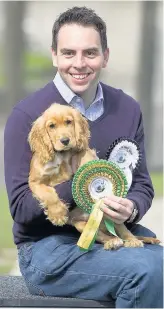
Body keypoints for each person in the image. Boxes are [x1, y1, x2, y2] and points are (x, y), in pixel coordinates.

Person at [4, 6, 163, 308]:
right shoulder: (27, 116)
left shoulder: (127, 109)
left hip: (111, 231)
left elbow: (141, 184)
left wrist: (130, 209)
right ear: (54, 55)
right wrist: (79, 180)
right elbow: (21, 208)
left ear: (106, 55)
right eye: (68, 53)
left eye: (90, 53)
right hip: (47, 249)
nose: (79, 64)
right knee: (146, 270)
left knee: (156, 266)